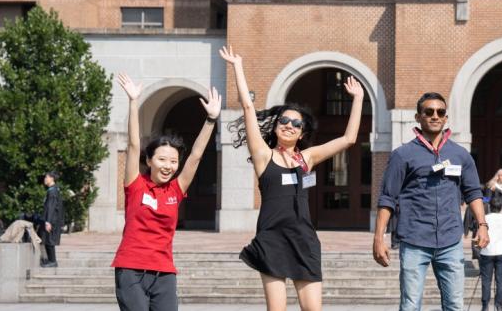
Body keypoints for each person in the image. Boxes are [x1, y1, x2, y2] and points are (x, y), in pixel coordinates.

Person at [221, 45, 365, 311]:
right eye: (284, 121)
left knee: (312, 309)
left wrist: (357, 98)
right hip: (272, 238)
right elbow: (248, 107)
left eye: (296, 124)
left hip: (303, 239)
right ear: (276, 127)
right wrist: (237, 67)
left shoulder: (306, 158)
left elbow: (349, 139)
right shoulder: (264, 156)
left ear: (301, 133)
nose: (289, 125)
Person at [111, 72, 222, 311]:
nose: (168, 166)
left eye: (173, 162)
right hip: (130, 269)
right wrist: (133, 102)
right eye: (162, 159)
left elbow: (196, 156)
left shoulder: (176, 188)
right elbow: (133, 145)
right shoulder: (135, 184)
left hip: (164, 272)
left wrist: (211, 120)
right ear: (149, 161)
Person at [373, 91, 489, 311]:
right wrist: (379, 237)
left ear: (446, 118)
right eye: (429, 112)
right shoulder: (403, 154)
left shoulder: (460, 154)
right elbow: (387, 198)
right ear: (418, 117)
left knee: (455, 305)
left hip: (450, 240)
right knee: (410, 305)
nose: (435, 116)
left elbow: (473, 192)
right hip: (415, 239)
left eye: (440, 112)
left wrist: (482, 226)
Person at [479, 196, 502, 311]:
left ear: (489, 206)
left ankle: (485, 306)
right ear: (501, 207)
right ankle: (499, 305)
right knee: (500, 280)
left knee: (486, 280)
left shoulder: (485, 218)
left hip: (487, 251)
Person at [39, 172, 64, 268]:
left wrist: (48, 222)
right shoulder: (53, 190)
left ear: (52, 178)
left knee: (49, 240)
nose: (45, 179)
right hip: (51, 219)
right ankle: (50, 260)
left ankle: (53, 261)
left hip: (51, 220)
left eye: (46, 177)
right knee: (47, 239)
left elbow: (51, 207)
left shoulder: (53, 191)